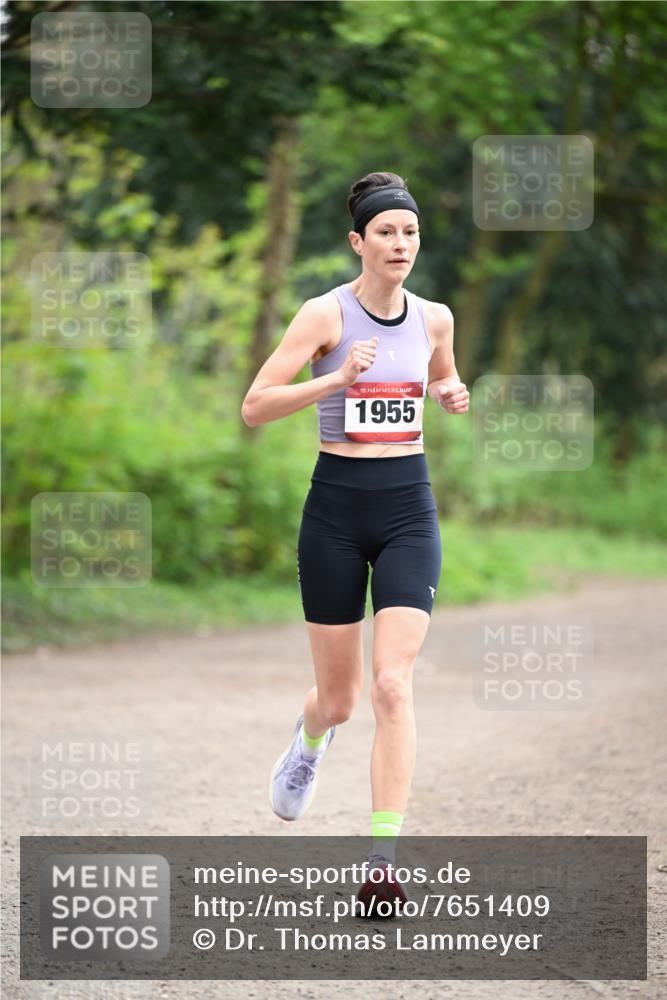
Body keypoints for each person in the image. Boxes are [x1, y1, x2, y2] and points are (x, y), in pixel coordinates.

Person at [241, 170, 469, 913]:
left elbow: (440, 374)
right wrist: (334, 380)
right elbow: (254, 405)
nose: (399, 244)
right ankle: (308, 744)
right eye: (385, 233)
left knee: (392, 684)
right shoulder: (323, 315)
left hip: (407, 505)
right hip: (334, 510)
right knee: (339, 701)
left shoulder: (435, 317)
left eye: (408, 232)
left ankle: (380, 863)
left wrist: (449, 392)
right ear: (357, 242)